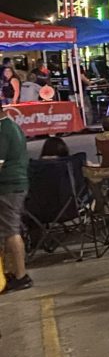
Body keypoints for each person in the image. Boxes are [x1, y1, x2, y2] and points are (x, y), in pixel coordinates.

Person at [0, 107, 31, 292]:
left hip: (9, 187)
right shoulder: (13, 126)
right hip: (15, 184)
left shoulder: (3, 131)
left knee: (11, 232)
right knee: (8, 231)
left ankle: (21, 276)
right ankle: (12, 272)